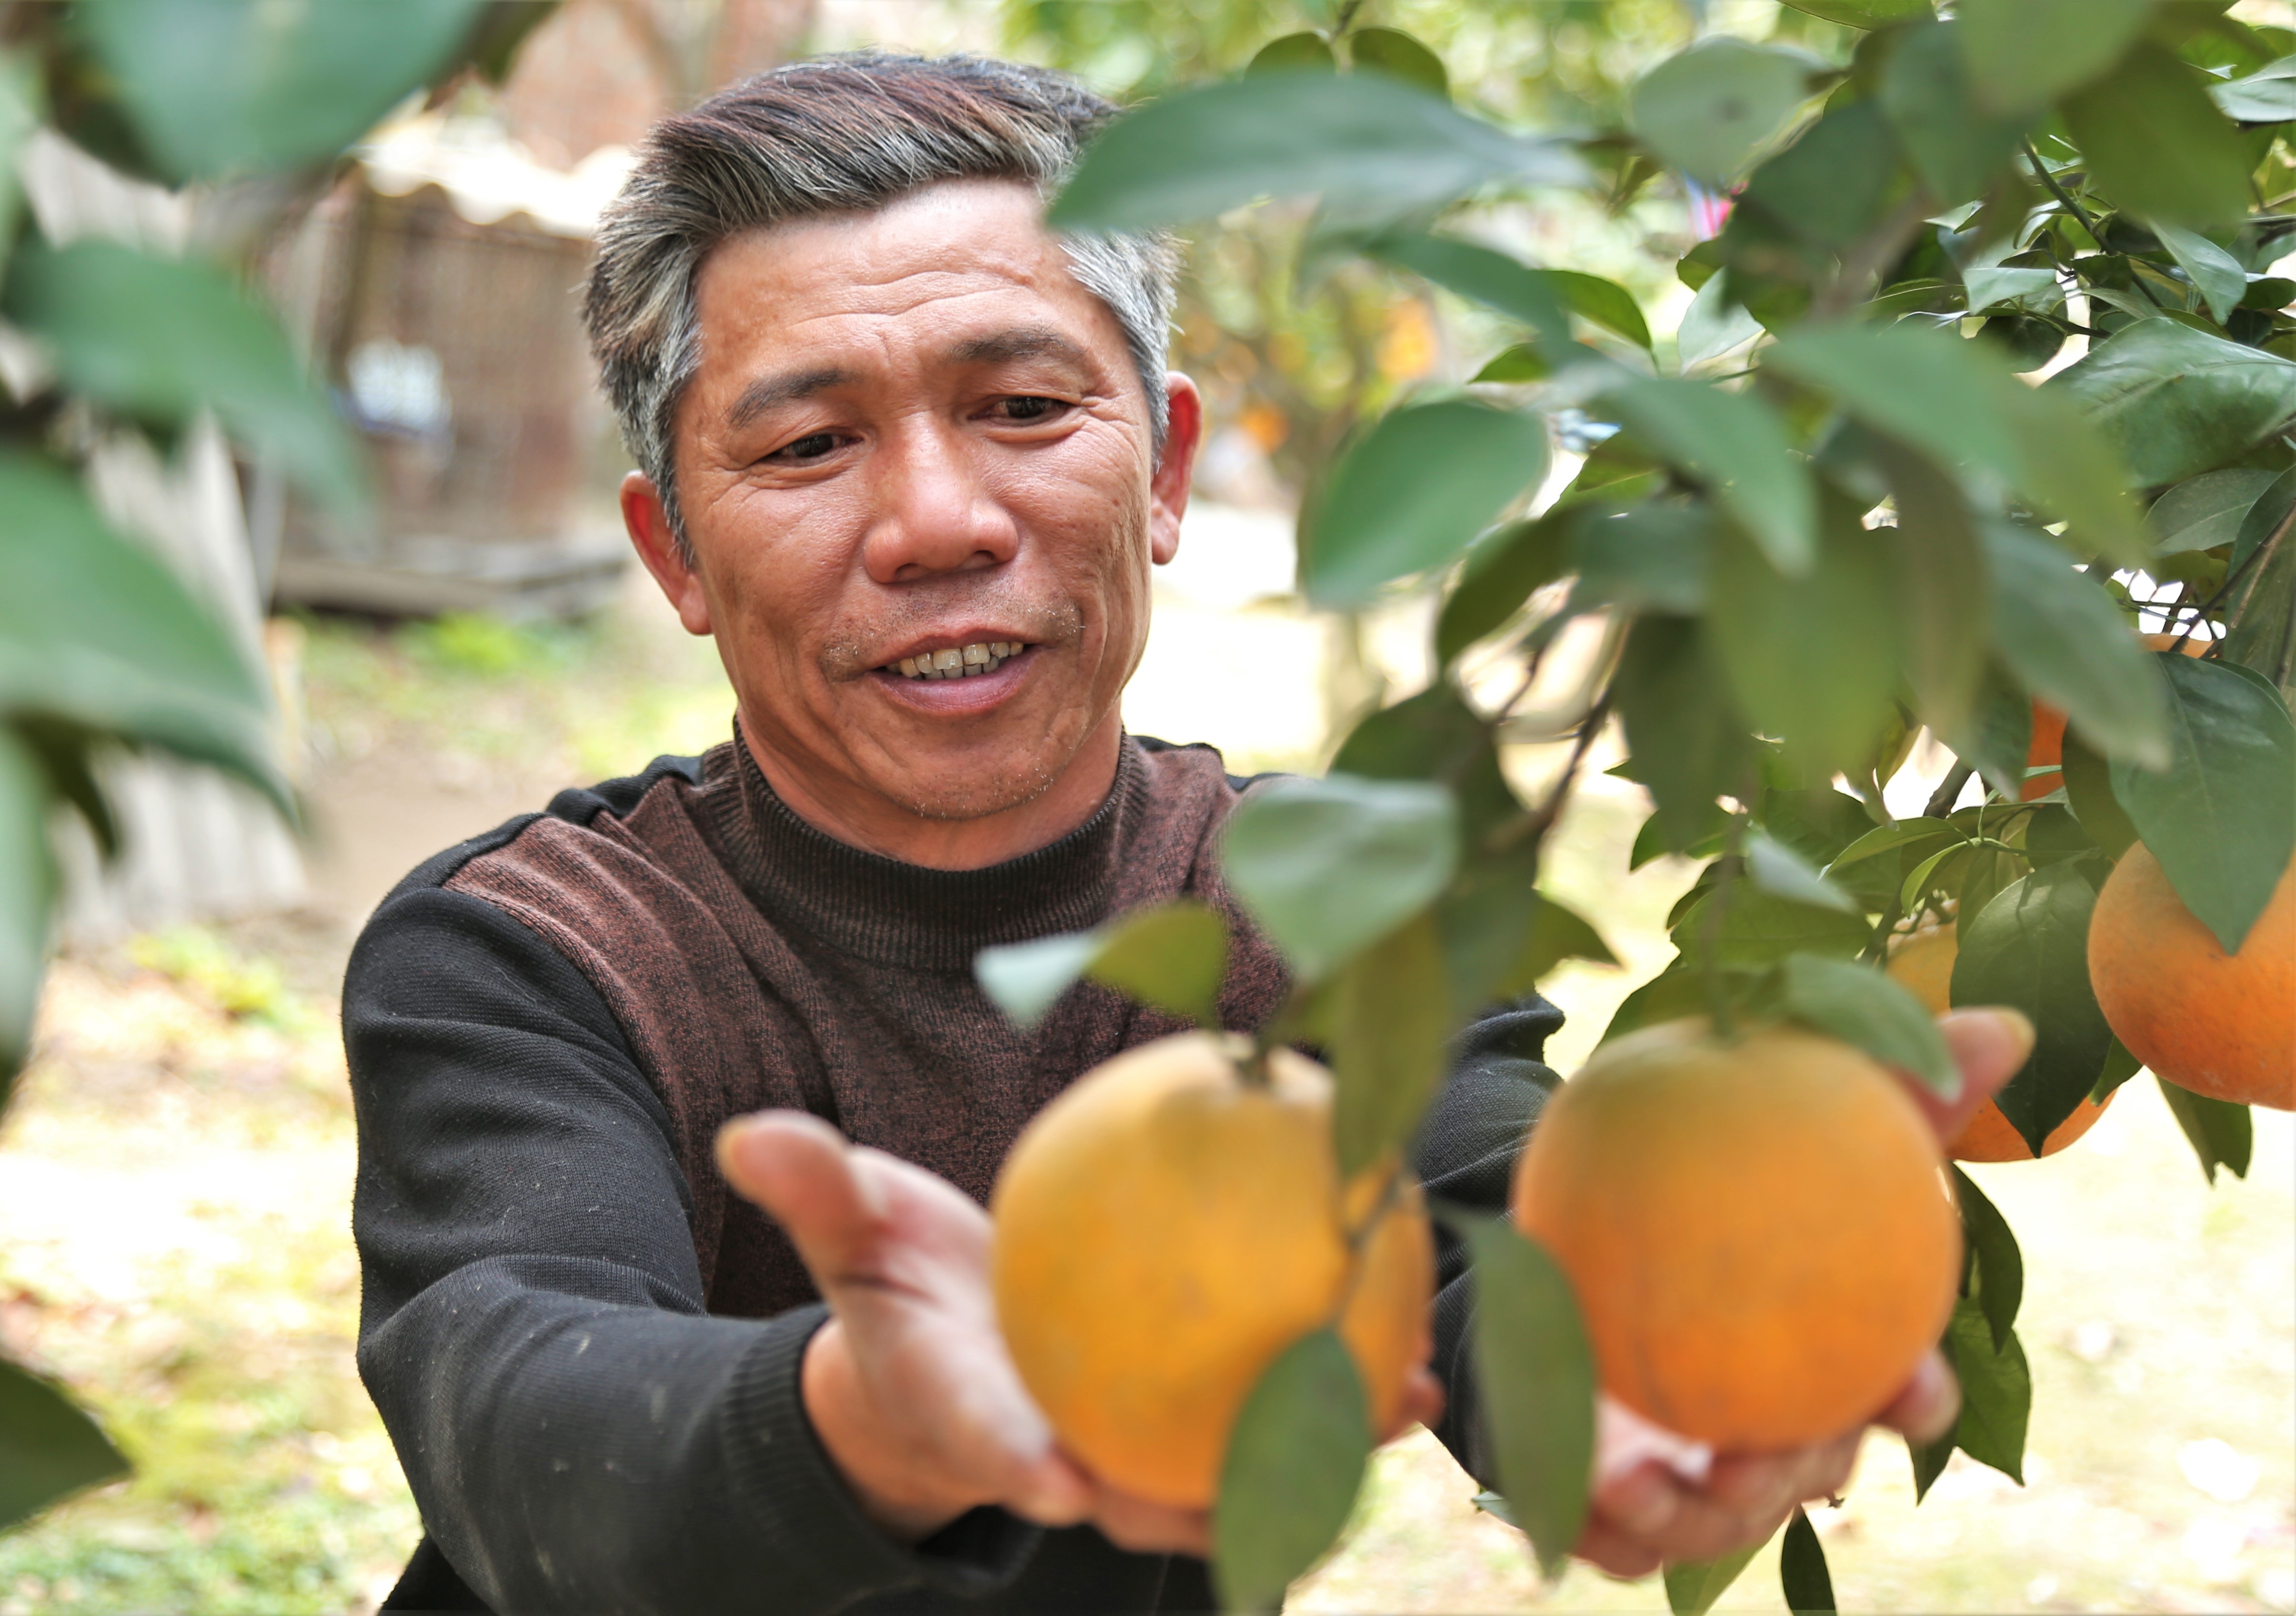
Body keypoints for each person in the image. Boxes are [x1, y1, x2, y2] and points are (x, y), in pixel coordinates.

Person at [347, 52, 2029, 1615]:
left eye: (1022, 406)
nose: (939, 520)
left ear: (1164, 470)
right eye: (809, 443)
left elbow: (1489, 1211)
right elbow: (521, 1407)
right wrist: (871, 1413)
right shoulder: (536, 951)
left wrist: (1657, 1350)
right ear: (677, 557)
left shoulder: (1329, 904)